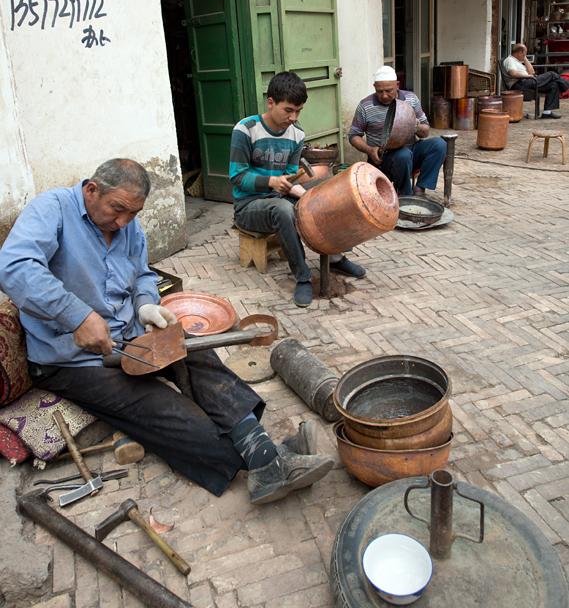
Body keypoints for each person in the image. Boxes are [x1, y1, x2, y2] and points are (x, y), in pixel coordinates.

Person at [0, 158, 333, 504]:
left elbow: (143, 274)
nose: (123, 222)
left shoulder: (126, 223)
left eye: (133, 214)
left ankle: (262, 450)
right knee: (164, 409)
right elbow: (14, 266)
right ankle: (265, 462)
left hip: (128, 336)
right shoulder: (52, 209)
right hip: (71, 360)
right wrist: (77, 317)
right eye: (117, 210)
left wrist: (146, 305)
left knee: (196, 354)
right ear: (91, 190)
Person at [229, 71, 366, 309]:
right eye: (288, 110)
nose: (293, 117)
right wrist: (272, 182)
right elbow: (237, 176)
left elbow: (291, 178)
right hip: (249, 206)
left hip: (279, 195)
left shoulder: (296, 135)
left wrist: (307, 195)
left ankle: (335, 257)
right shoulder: (246, 130)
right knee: (283, 209)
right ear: (270, 102)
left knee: (328, 189)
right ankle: (303, 276)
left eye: (299, 111)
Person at [348, 65, 446, 197]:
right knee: (403, 155)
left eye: (389, 91)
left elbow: (425, 131)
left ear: (398, 85)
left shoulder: (411, 99)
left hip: (411, 151)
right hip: (383, 157)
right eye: (379, 91)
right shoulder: (366, 105)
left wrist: (415, 126)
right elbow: (354, 135)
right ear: (374, 87)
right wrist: (369, 150)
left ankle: (420, 188)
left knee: (439, 144)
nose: (384, 96)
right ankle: (405, 194)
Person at [503, 43, 567, 119]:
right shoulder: (510, 60)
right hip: (520, 84)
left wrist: (524, 58)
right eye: (524, 53)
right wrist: (528, 76)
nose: (525, 55)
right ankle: (567, 86)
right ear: (520, 53)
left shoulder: (517, 61)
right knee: (551, 74)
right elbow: (512, 73)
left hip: (527, 82)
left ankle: (547, 112)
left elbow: (532, 72)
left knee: (553, 84)